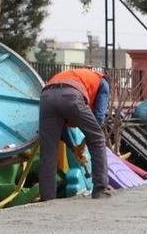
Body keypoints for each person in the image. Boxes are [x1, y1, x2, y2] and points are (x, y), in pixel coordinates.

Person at [38, 68, 112, 201]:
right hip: (71, 95)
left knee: (48, 151)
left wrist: (74, 147)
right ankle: (100, 189)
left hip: (46, 97)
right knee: (98, 139)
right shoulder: (103, 82)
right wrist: (88, 139)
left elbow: (62, 130)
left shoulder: (76, 75)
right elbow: (99, 117)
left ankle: (47, 198)